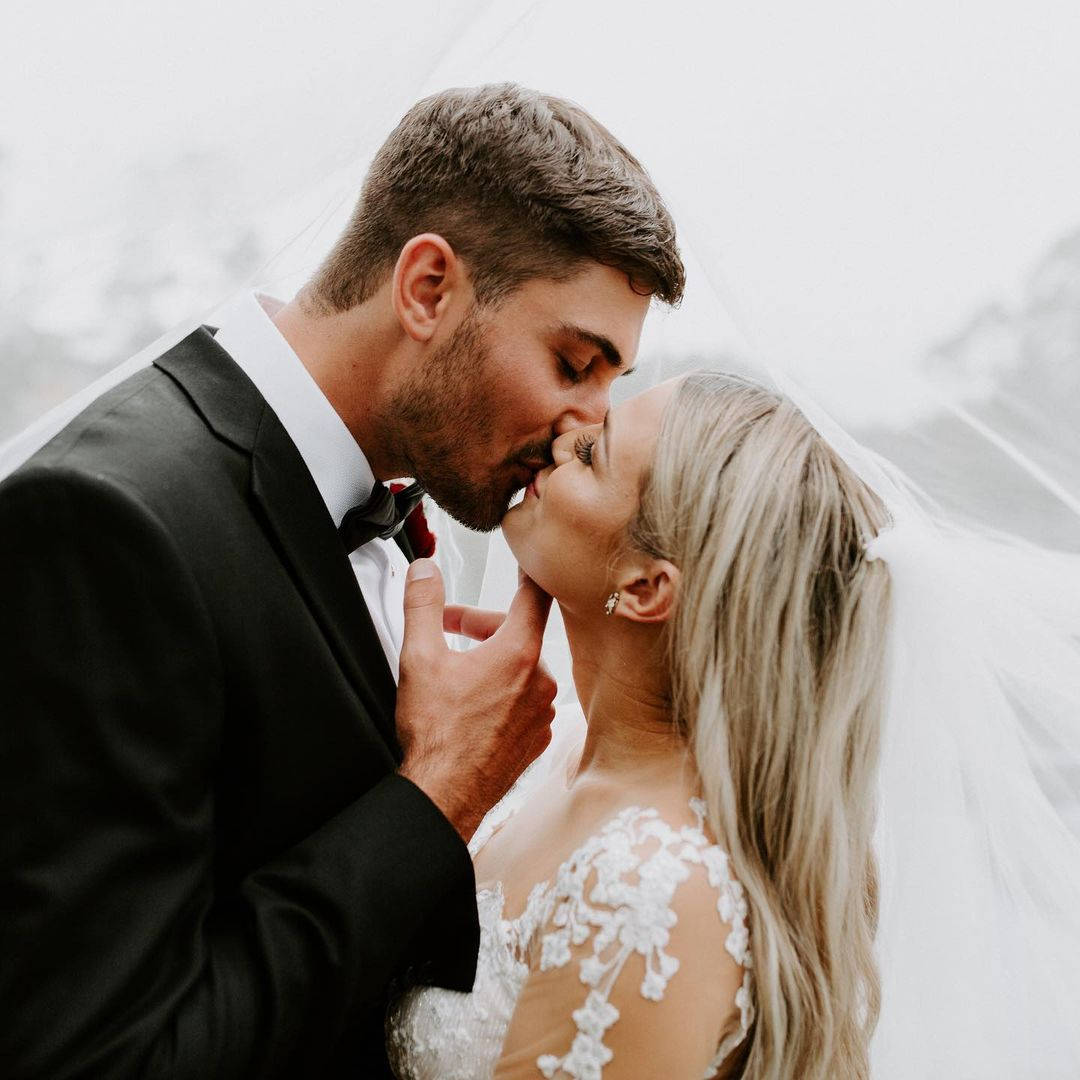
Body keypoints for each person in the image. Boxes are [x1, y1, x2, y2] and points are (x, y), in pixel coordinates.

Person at [0, 84, 685, 1078]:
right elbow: (96, 1055)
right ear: (427, 288)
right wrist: (440, 789)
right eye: (574, 362)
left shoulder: (388, 507)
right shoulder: (109, 525)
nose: (582, 424)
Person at [386, 371, 893, 1079]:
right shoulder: (549, 753)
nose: (564, 435)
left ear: (645, 586)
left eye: (593, 454)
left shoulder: (652, 888)